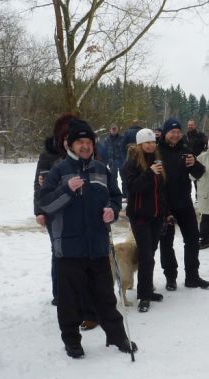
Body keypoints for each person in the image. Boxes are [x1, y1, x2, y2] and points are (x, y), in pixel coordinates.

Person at [39, 118, 137, 358]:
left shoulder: (102, 170)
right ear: (69, 145)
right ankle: (72, 341)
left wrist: (112, 211)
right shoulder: (58, 171)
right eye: (79, 142)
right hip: (69, 248)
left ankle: (117, 336)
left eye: (88, 142)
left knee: (105, 296)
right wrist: (66, 190)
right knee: (69, 301)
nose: (85, 146)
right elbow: (45, 205)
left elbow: (114, 197)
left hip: (98, 246)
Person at [34, 114, 98, 330]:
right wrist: (40, 211)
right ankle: (61, 295)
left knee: (86, 257)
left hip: (86, 215)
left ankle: (88, 304)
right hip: (57, 214)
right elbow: (40, 187)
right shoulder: (50, 157)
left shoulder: (88, 154)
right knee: (60, 254)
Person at [158, 118, 209, 290]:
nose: (175, 134)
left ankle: (192, 276)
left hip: (184, 203)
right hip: (165, 205)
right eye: (172, 131)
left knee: (192, 240)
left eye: (177, 131)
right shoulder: (157, 151)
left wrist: (195, 163)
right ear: (166, 133)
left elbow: (198, 173)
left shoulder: (185, 149)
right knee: (167, 243)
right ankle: (171, 278)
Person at [121, 128, 167, 313]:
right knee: (146, 256)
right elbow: (133, 187)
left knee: (150, 254)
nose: (151, 145)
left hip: (156, 216)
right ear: (140, 144)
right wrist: (149, 172)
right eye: (147, 142)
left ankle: (147, 289)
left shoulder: (158, 162)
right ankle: (143, 295)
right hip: (139, 216)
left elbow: (162, 190)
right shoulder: (130, 164)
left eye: (153, 142)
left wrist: (166, 213)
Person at [104, 124, 125, 192]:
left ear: (117, 130)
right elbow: (105, 151)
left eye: (115, 129)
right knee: (113, 179)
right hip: (112, 161)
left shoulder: (122, 138)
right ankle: (116, 193)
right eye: (112, 129)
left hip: (122, 160)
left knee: (124, 178)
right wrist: (106, 161)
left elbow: (125, 149)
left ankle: (125, 194)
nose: (114, 130)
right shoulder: (106, 139)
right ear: (110, 130)